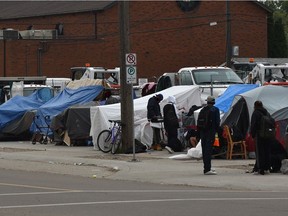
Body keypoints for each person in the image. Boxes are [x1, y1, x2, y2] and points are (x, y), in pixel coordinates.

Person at [198, 96, 220, 175]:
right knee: (208, 150)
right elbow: (217, 122)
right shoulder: (215, 110)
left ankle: (206, 167)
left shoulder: (203, 110)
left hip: (203, 132)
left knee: (204, 150)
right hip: (211, 132)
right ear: (214, 102)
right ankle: (207, 169)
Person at [250, 100, 273, 175]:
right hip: (268, 135)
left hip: (259, 135)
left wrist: (252, 135)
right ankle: (267, 168)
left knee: (260, 152)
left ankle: (260, 169)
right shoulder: (266, 112)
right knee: (267, 151)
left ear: (255, 106)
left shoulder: (256, 113)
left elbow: (253, 125)